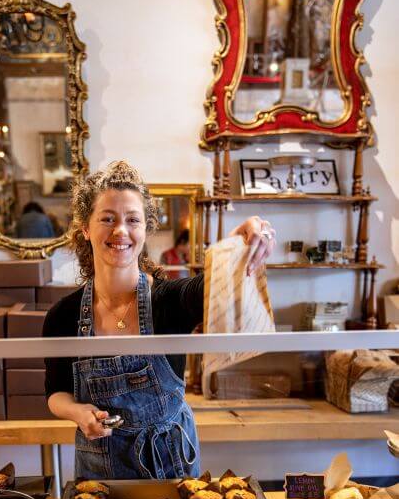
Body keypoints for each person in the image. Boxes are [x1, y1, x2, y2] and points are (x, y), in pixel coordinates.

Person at [43, 161, 275, 480]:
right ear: (85, 227)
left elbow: (211, 284)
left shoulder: (168, 302)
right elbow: (56, 393)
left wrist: (243, 237)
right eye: (107, 219)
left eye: (132, 220)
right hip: (100, 466)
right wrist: (78, 412)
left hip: (170, 462)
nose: (120, 231)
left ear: (145, 229)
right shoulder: (63, 315)